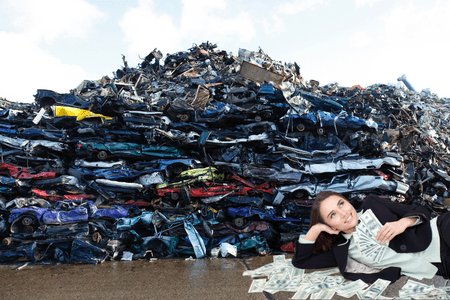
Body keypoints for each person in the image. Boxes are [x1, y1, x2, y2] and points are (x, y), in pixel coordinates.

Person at [292, 191, 450, 283]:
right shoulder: (341, 251)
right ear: (330, 226)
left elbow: (420, 210)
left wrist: (403, 223)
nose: (344, 213)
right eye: (333, 215)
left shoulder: (372, 204)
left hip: (440, 231)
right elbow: (301, 261)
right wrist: (316, 228)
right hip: (441, 266)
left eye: (341, 204)